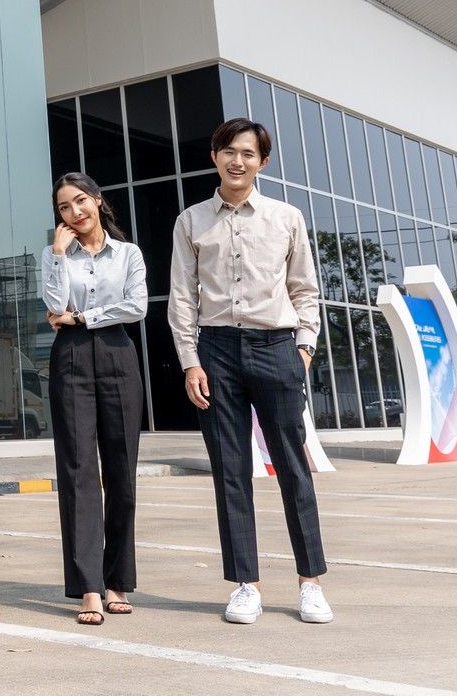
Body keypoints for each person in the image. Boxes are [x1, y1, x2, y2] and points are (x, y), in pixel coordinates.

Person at [170, 117, 332, 626]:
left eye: (247, 153)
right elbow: (182, 298)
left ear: (262, 162)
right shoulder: (191, 221)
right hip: (216, 351)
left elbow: (305, 289)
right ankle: (246, 585)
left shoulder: (286, 217)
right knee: (230, 470)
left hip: (276, 346)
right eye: (228, 151)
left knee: (293, 466)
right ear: (214, 157)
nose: (236, 161)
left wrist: (303, 348)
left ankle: (310, 583)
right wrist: (191, 361)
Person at [41, 173, 147, 624]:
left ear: (98, 200)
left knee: (121, 473)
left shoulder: (128, 254)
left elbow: (136, 306)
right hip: (70, 359)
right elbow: (53, 304)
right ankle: (88, 586)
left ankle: (117, 579)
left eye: (80, 201)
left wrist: (83, 316)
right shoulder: (55, 254)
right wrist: (58, 254)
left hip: (118, 355)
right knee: (78, 473)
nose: (75, 212)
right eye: (64, 207)